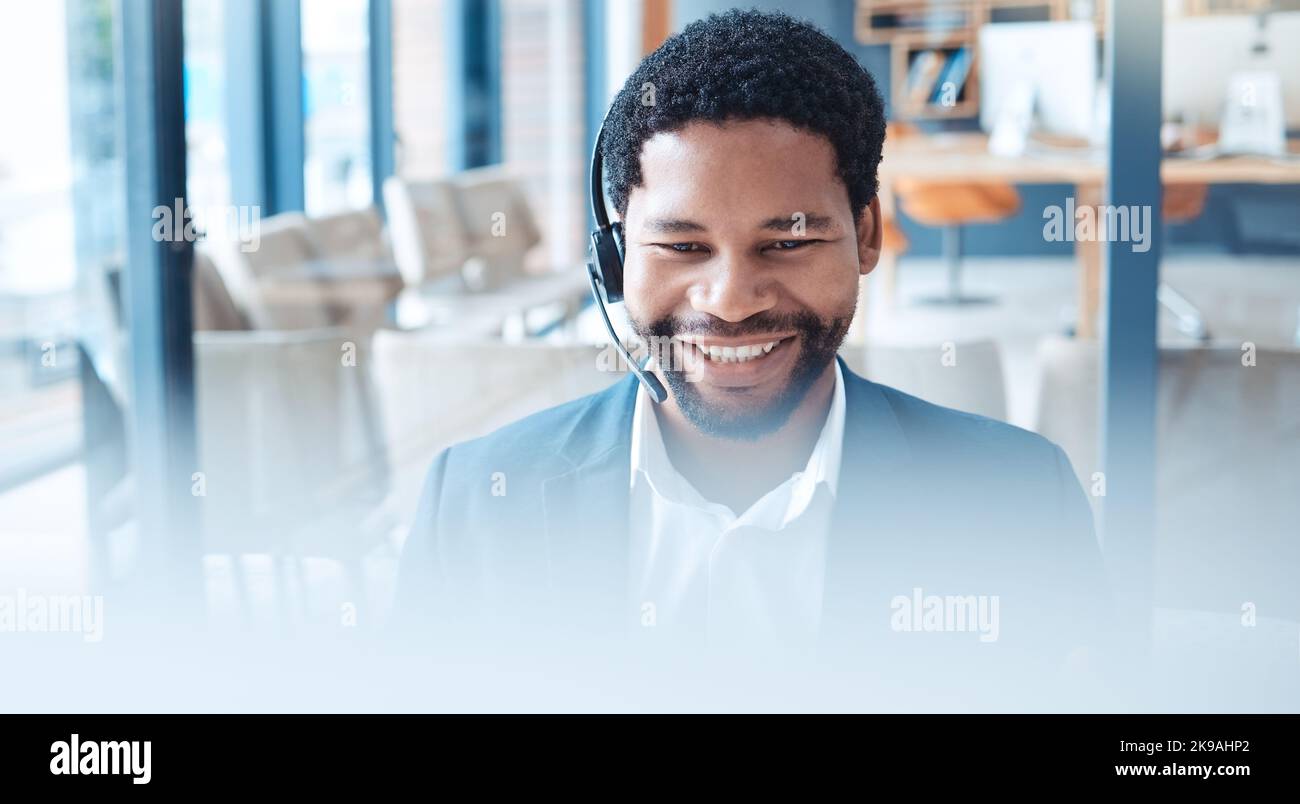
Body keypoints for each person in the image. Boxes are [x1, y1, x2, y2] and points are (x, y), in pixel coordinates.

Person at [397, 10, 1112, 700]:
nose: (732, 301)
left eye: (788, 242)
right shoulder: (473, 506)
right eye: (682, 246)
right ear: (614, 262)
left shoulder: (1021, 503)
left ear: (866, 236)